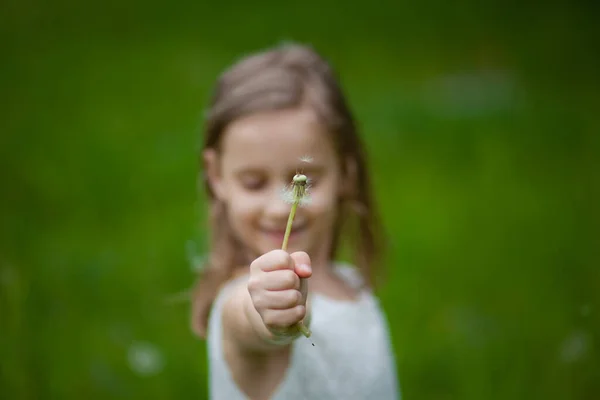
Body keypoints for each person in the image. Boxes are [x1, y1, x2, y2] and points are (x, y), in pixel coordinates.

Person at [190, 42, 400, 400]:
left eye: (305, 179)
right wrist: (273, 315)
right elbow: (253, 322)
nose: (277, 208)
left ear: (346, 173)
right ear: (216, 176)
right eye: (254, 183)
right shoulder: (243, 299)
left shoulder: (349, 283)